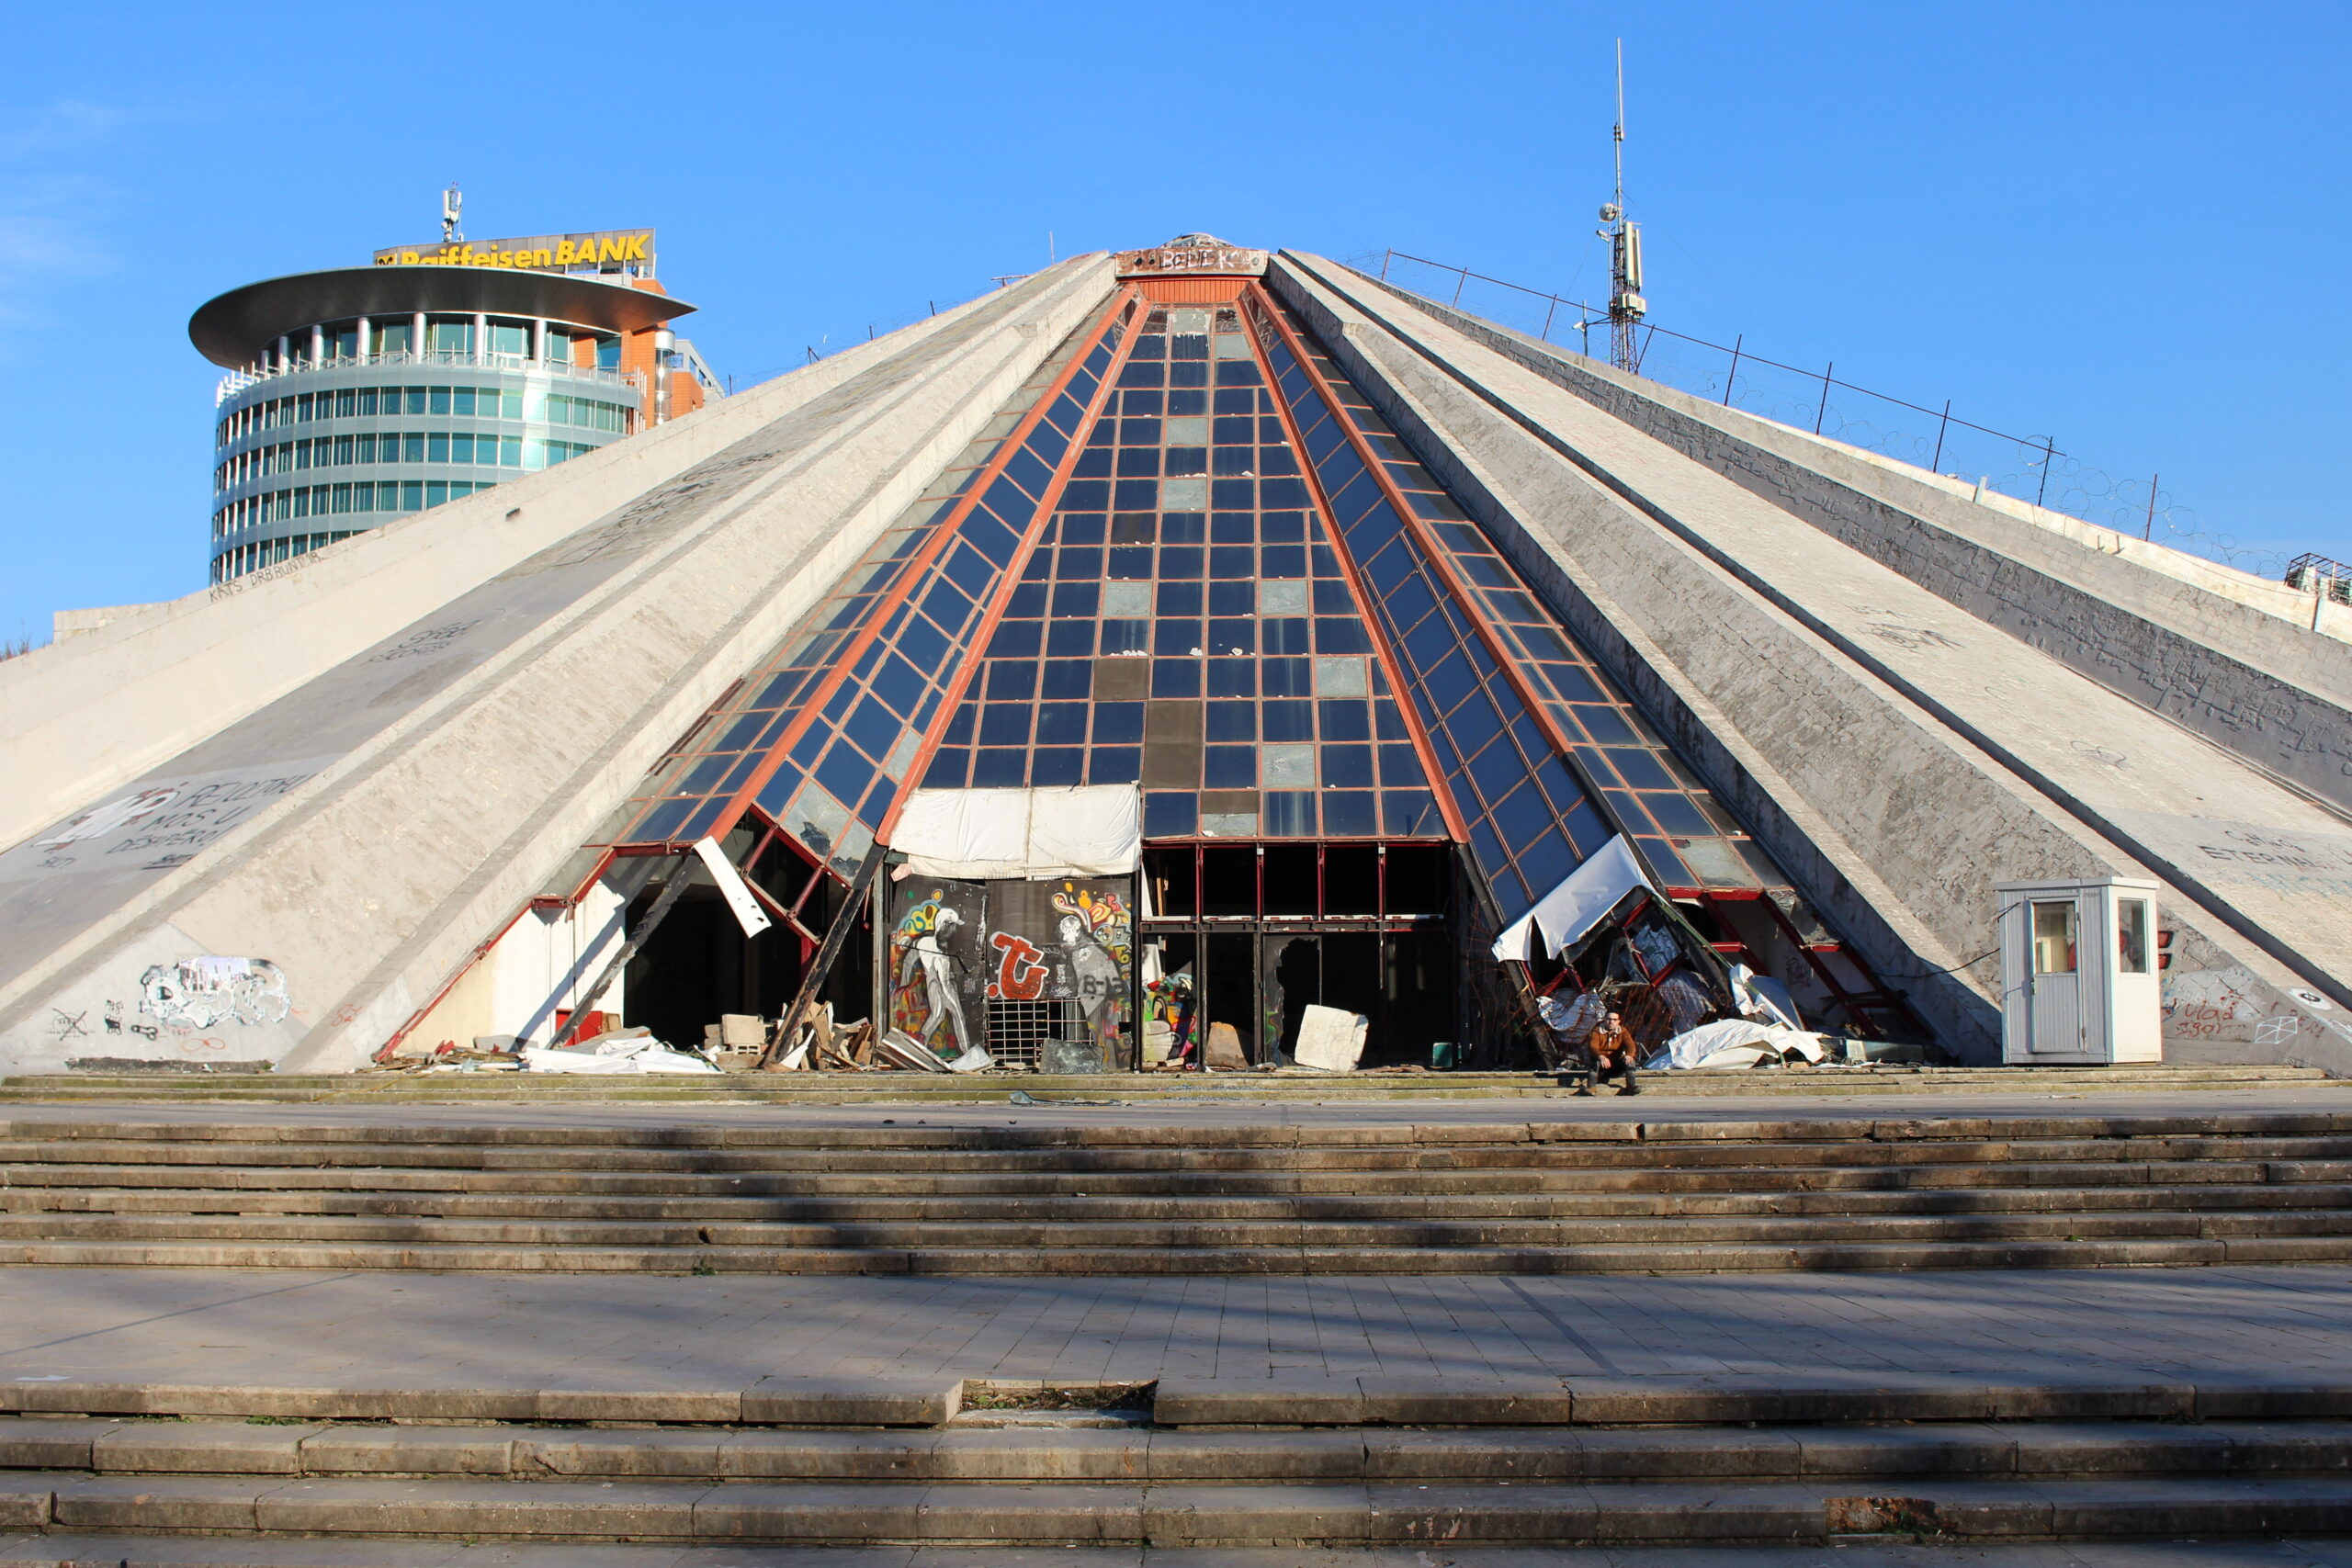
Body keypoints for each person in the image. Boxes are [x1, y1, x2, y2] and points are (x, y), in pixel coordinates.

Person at [1582, 1010, 1641, 1095]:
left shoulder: (1623, 1031)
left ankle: (1631, 1087)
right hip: (1601, 1066)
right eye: (1609, 1019)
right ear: (1604, 1019)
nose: (1611, 1022)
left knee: (1630, 1060)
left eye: (1614, 1019)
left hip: (1616, 1065)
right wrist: (1601, 1056)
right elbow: (1592, 1046)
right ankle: (1591, 1088)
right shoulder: (1596, 1031)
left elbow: (1630, 1045)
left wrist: (1629, 1055)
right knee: (1595, 1060)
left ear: (1618, 1021)